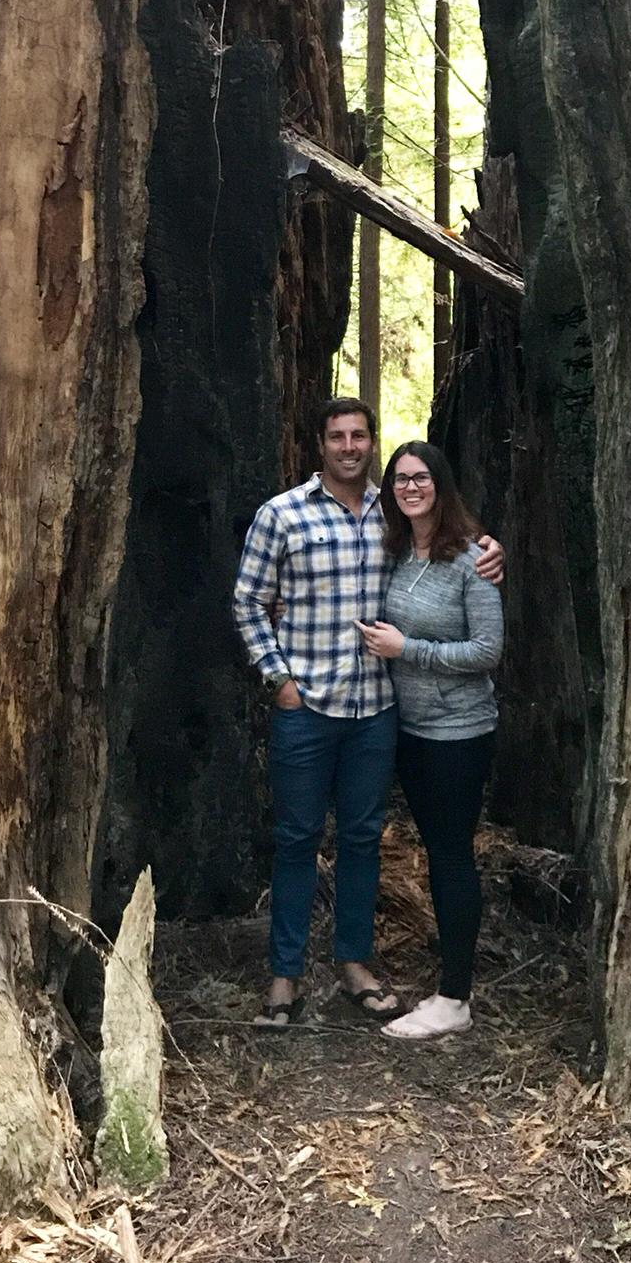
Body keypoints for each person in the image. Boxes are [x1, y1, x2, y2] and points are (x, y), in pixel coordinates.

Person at [233, 398, 503, 1028]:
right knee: (298, 839)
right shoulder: (284, 514)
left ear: (370, 442)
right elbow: (249, 601)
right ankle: (284, 975)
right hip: (307, 706)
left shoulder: (392, 513)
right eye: (337, 436)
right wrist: (278, 680)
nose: (349, 446)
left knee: (360, 841)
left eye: (359, 436)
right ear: (320, 444)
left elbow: (454, 543)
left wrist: (492, 549)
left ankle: (355, 963)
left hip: (376, 710)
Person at [357, 440, 503, 1041]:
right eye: (399, 479)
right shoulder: (394, 554)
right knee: (438, 851)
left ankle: (455, 997)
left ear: (440, 485)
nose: (409, 487)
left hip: (459, 733)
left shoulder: (472, 561)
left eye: (420, 478)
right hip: (408, 730)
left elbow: (487, 651)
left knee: (449, 855)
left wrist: (406, 650)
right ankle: (450, 979)